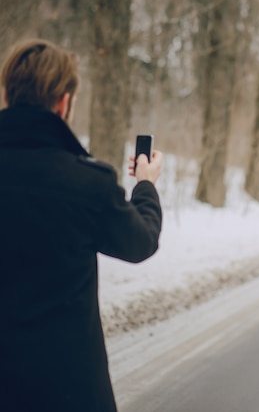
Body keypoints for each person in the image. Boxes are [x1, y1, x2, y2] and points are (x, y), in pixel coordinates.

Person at [0, 39, 163, 412]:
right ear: (64, 103)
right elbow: (140, 241)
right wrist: (146, 185)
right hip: (67, 392)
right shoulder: (87, 184)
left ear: (7, 94)